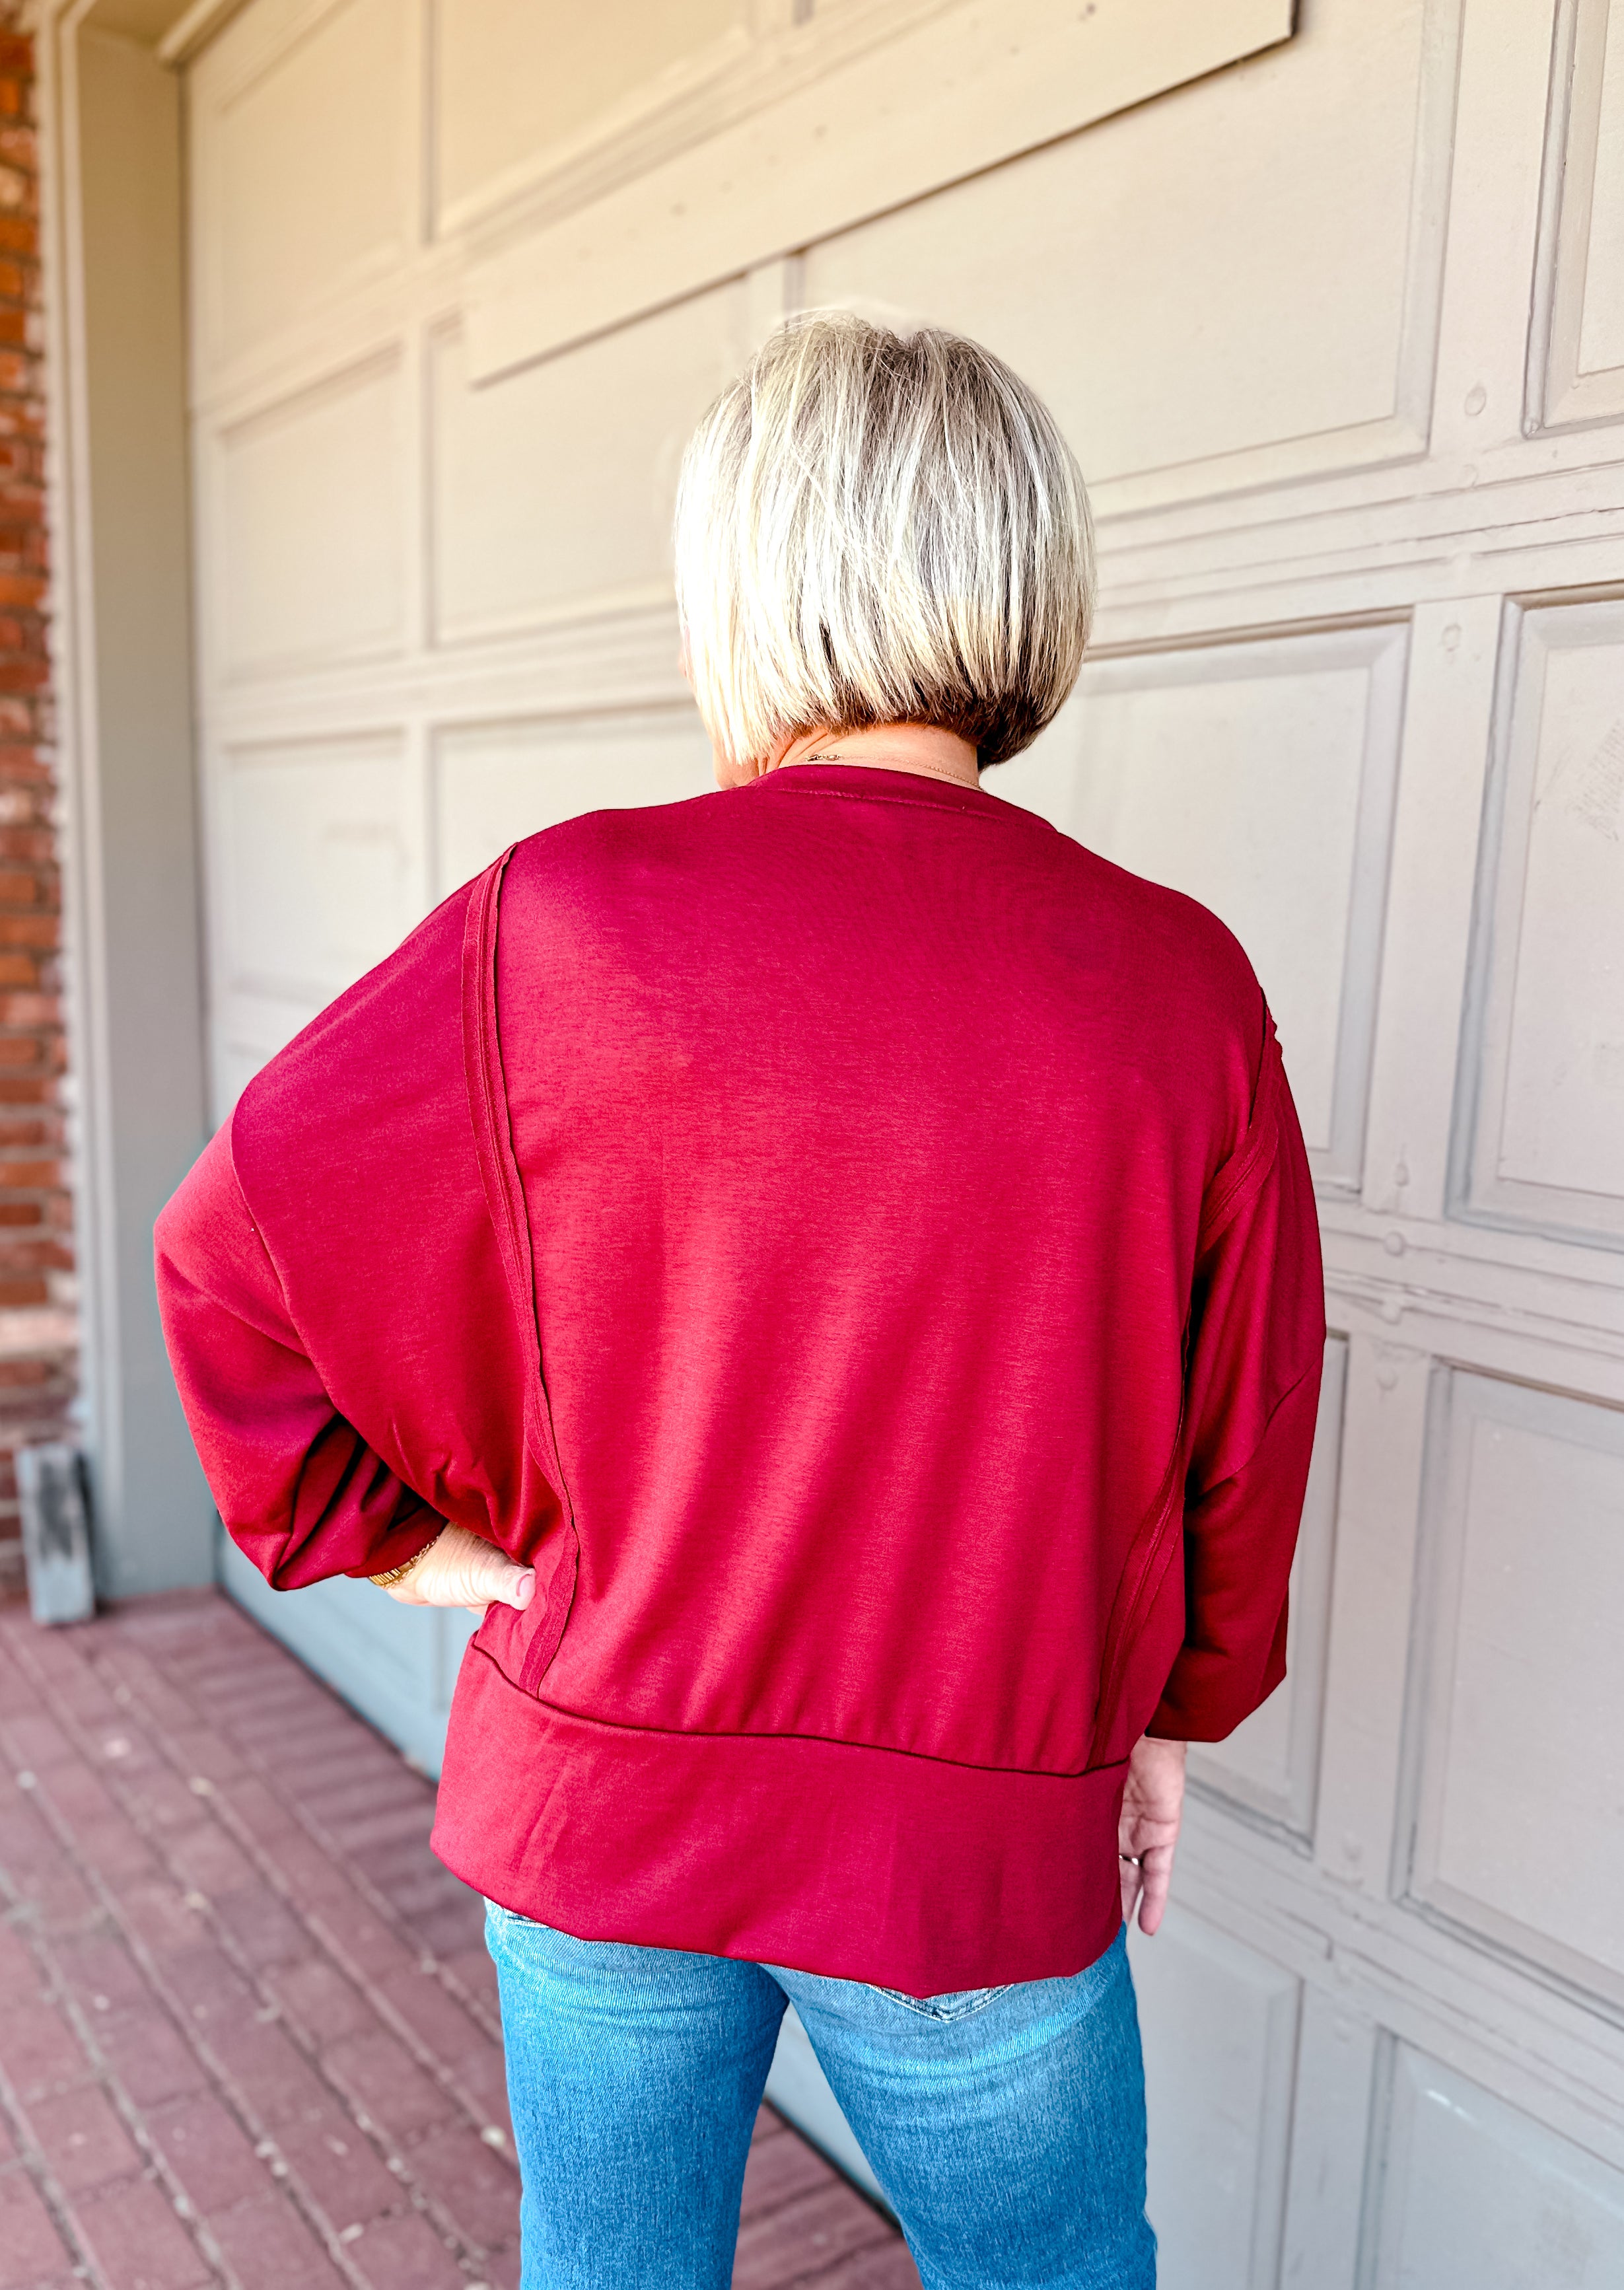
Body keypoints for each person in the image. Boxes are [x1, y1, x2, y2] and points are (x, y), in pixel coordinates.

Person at [155, 313, 1324, 2290]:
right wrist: (1169, 1715)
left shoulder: (562, 921)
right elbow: (1246, 1419)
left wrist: (419, 1547)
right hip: (970, 1847)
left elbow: (230, 1250)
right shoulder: (1172, 985)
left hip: (603, 1802)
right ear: (1022, 577)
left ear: (746, 589)